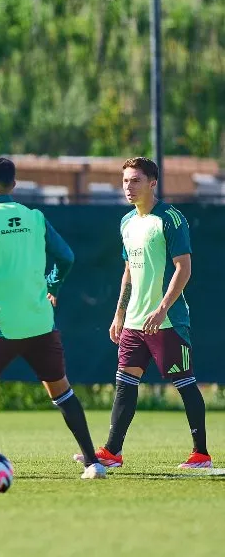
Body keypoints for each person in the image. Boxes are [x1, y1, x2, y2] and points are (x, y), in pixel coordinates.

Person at [0, 157, 106, 480]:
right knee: (62, 393)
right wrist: (53, 284)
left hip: (0, 326)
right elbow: (67, 256)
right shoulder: (35, 217)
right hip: (41, 324)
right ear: (14, 185)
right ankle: (93, 462)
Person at [74, 157, 211, 469]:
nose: (128, 186)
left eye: (135, 180)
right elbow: (128, 272)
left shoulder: (171, 219)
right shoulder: (127, 222)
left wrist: (162, 309)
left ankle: (201, 454)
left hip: (167, 321)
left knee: (185, 383)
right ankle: (111, 453)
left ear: (153, 182)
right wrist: (119, 314)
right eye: (125, 181)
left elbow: (184, 268)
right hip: (135, 322)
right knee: (124, 383)